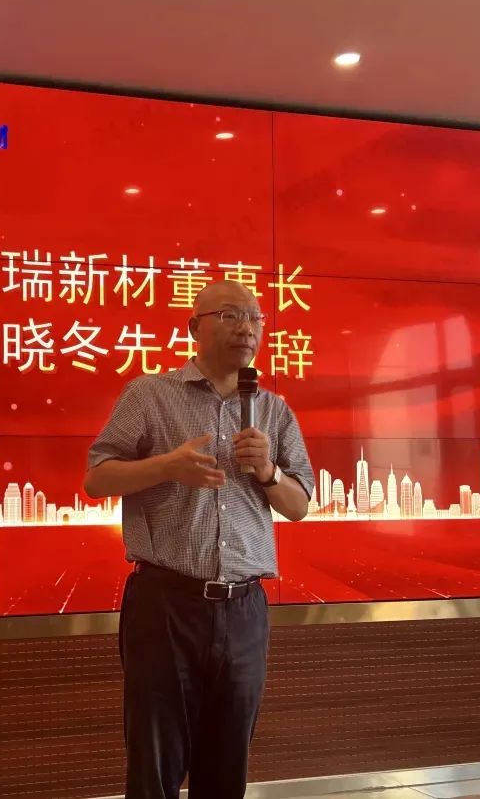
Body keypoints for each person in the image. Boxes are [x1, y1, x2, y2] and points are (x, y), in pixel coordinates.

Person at [84, 280, 315, 799]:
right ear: (194, 327)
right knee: (155, 765)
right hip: (166, 604)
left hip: (244, 609)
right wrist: (167, 466)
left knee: (227, 766)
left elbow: (299, 505)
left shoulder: (273, 410)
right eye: (230, 315)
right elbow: (97, 478)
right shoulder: (150, 394)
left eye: (255, 318)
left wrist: (269, 472)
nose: (246, 328)